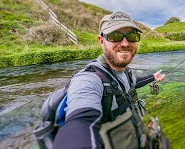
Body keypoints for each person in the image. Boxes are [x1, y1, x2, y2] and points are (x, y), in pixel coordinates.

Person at [52, 11, 165, 148]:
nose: (125, 43)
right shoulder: (88, 79)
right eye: (115, 36)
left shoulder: (126, 73)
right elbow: (80, 123)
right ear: (101, 41)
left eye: (131, 36)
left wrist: (153, 77)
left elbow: (134, 83)